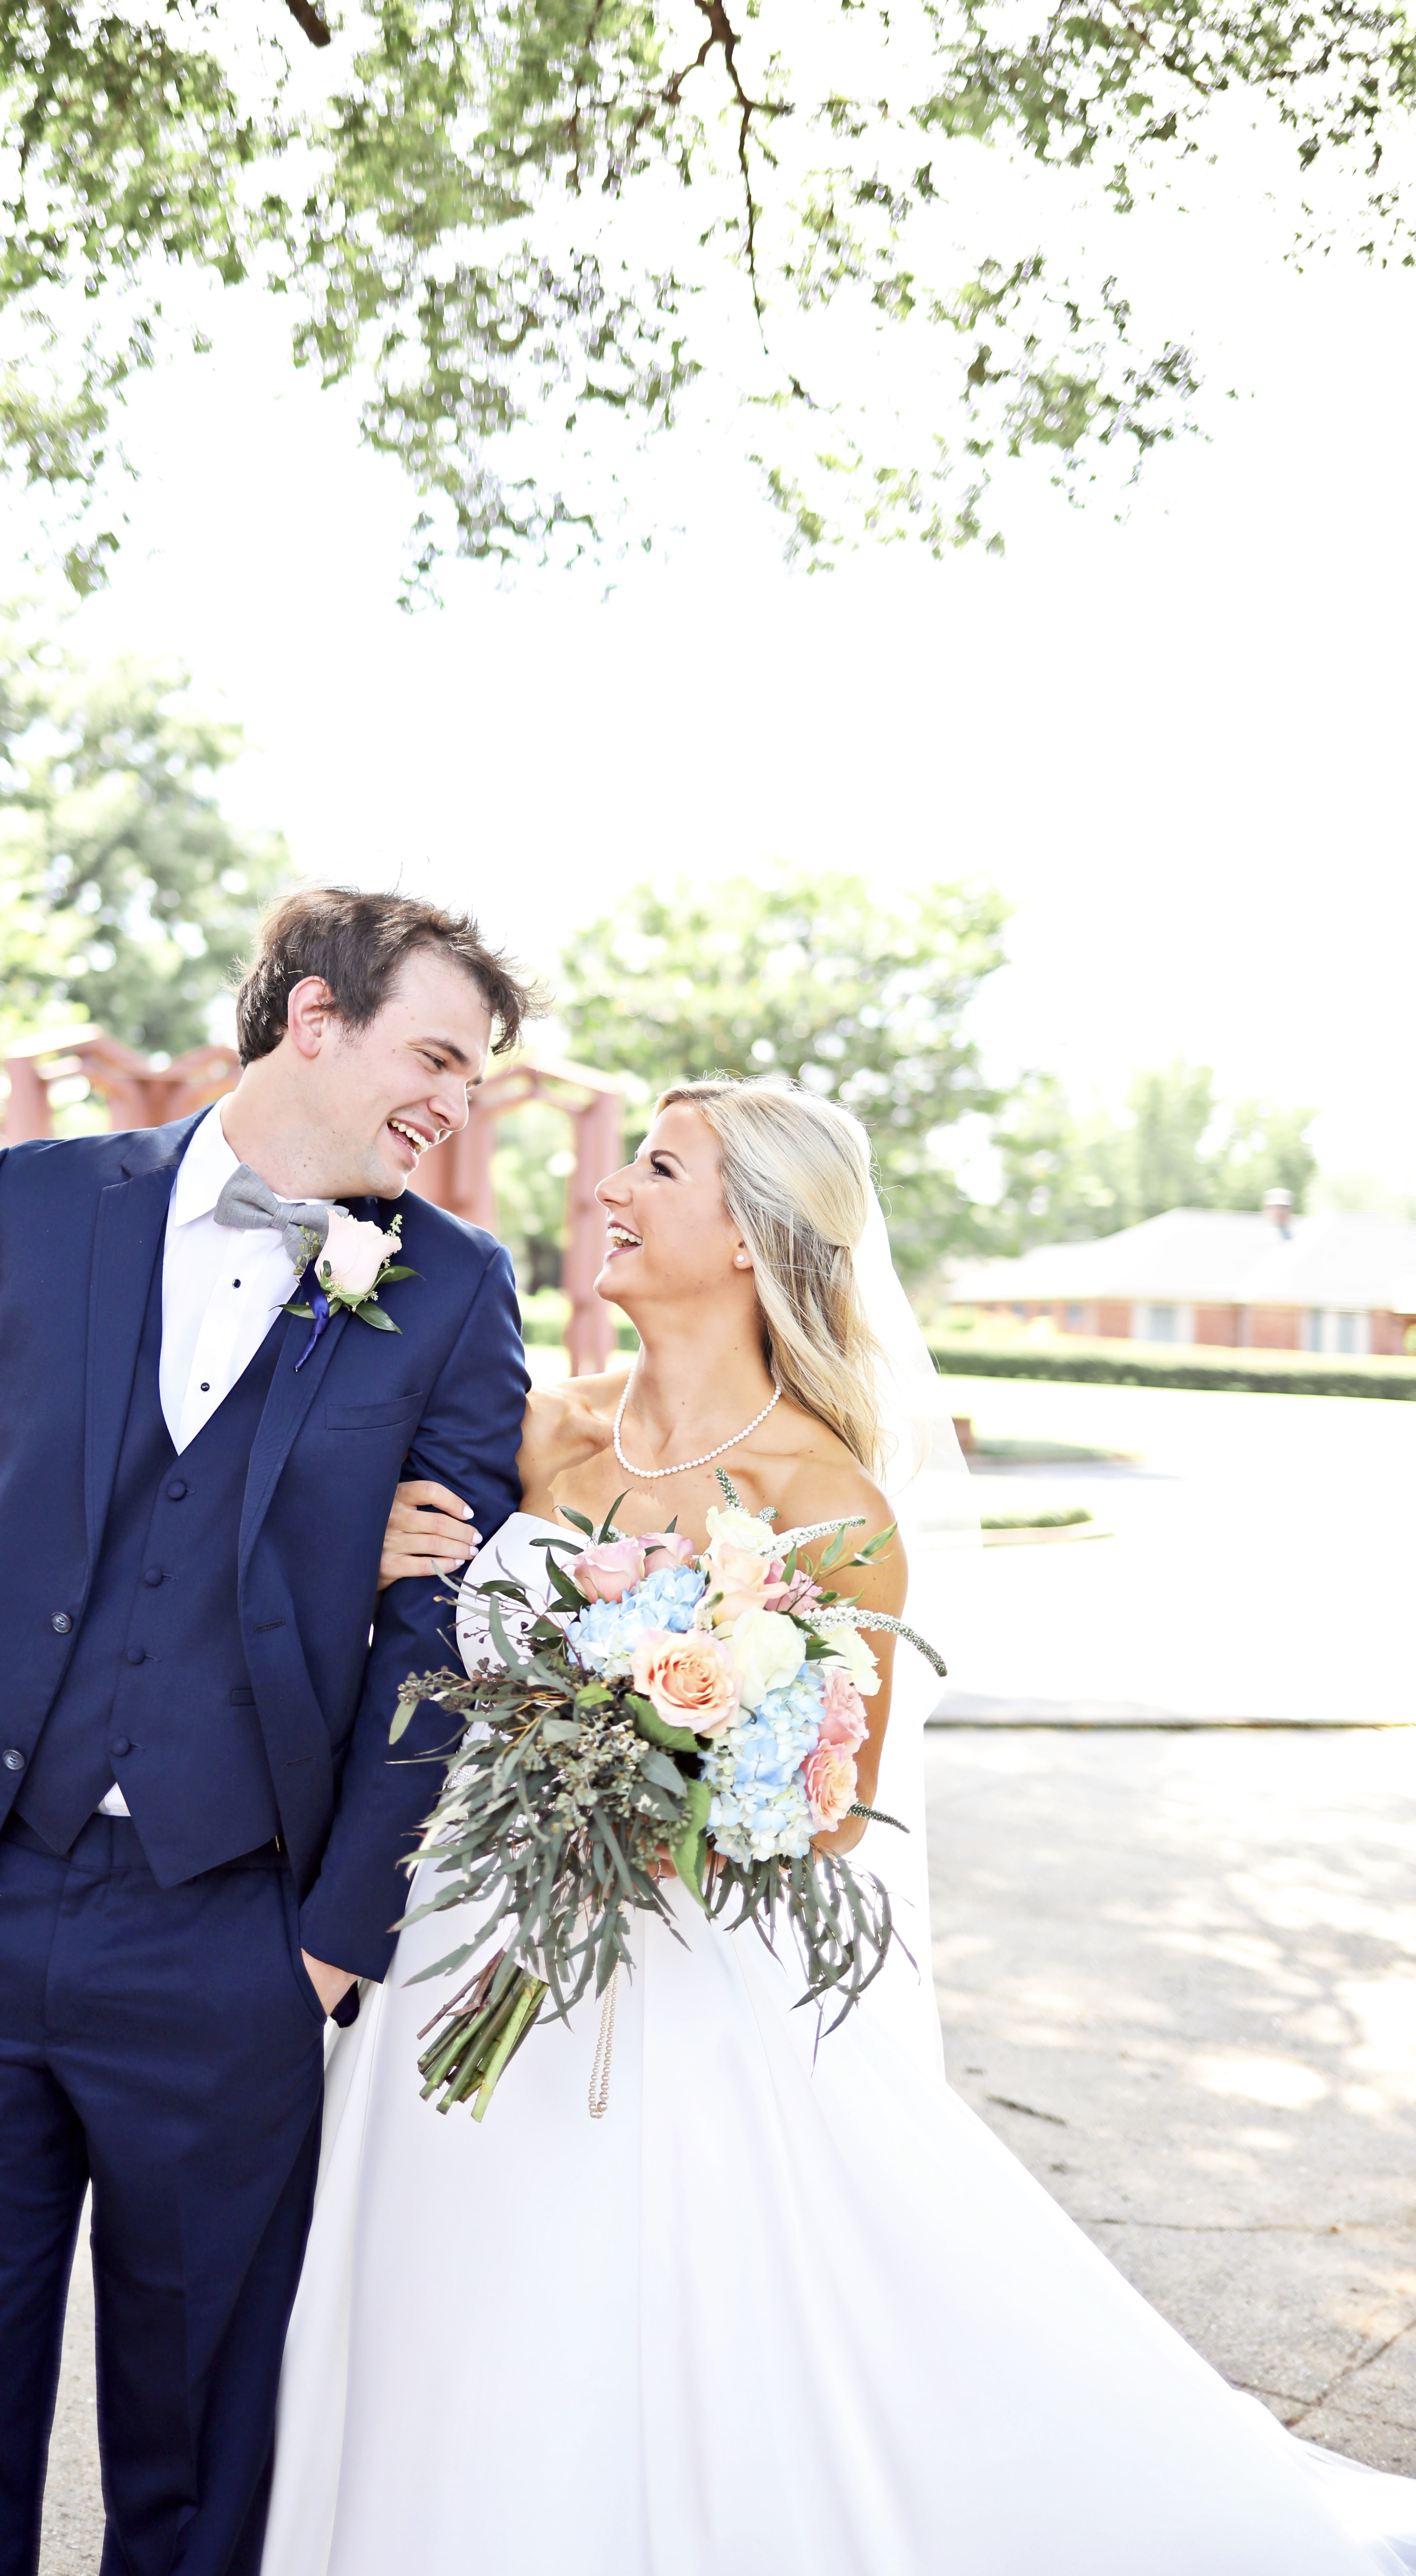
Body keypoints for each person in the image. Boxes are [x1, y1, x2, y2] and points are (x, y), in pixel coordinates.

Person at [260, 1078, 1416, 2576]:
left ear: (751, 1235)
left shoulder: (832, 1501)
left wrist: (664, 1753)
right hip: (464, 1944)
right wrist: (378, 1557)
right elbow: (421, 1630)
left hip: (669, 1976)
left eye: (657, 1170)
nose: (611, 1190)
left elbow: (826, 1820)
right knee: (441, 2288)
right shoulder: (544, 1430)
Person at [0, 885, 533, 2576]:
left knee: (204, 2447)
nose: (453, 1102)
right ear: (312, 1019)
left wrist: (332, 1946)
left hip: (236, 1937)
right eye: (435, 1055)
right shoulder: (37, 1203)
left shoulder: (450, 1287)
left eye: (477, 1078)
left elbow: (439, 1642)